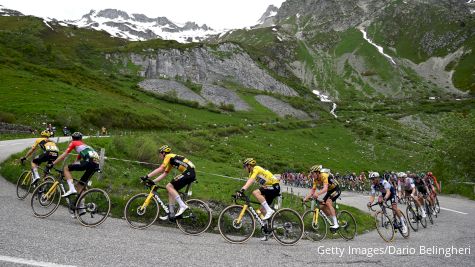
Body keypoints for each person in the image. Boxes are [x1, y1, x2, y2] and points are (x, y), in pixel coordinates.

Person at [141, 145, 196, 220]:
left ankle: (182, 205)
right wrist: (153, 181)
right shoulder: (171, 160)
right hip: (190, 173)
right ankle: (171, 213)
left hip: (188, 172)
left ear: (164, 153)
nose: (159, 155)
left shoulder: (169, 156)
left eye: (160, 153)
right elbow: (164, 173)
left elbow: (161, 169)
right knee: (171, 190)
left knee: (169, 186)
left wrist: (146, 176)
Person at [50, 132, 100, 198]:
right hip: (96, 164)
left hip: (89, 161)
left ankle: (71, 189)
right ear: (81, 139)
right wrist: (71, 169)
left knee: (66, 168)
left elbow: (63, 156)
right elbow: (77, 161)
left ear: (72, 139)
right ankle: (82, 206)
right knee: (80, 185)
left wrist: (52, 163)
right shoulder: (85, 146)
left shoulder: (74, 143)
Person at [303, 165, 341, 230]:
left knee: (328, 202)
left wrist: (317, 193)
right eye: (311, 173)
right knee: (322, 206)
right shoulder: (315, 180)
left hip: (336, 189)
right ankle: (334, 219)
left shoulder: (324, 176)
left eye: (313, 173)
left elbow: (325, 189)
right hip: (330, 191)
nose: (312, 175)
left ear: (317, 172)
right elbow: (312, 191)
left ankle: (336, 225)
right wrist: (305, 198)